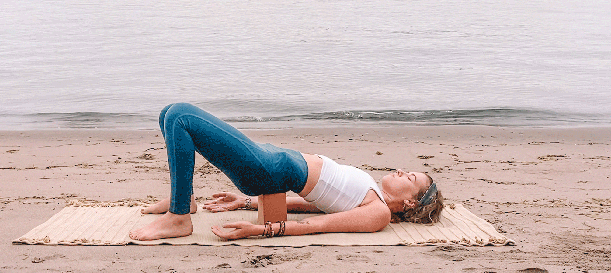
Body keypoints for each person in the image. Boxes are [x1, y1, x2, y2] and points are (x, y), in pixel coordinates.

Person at [129, 103, 444, 241]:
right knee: (168, 114)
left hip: (267, 170)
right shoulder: (370, 195)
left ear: (411, 204)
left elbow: (316, 225)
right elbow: (317, 205)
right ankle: (183, 199)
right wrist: (246, 203)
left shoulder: (379, 214)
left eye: (410, 178)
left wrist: (262, 231)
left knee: (181, 117)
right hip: (271, 161)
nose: (402, 172)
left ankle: (179, 217)